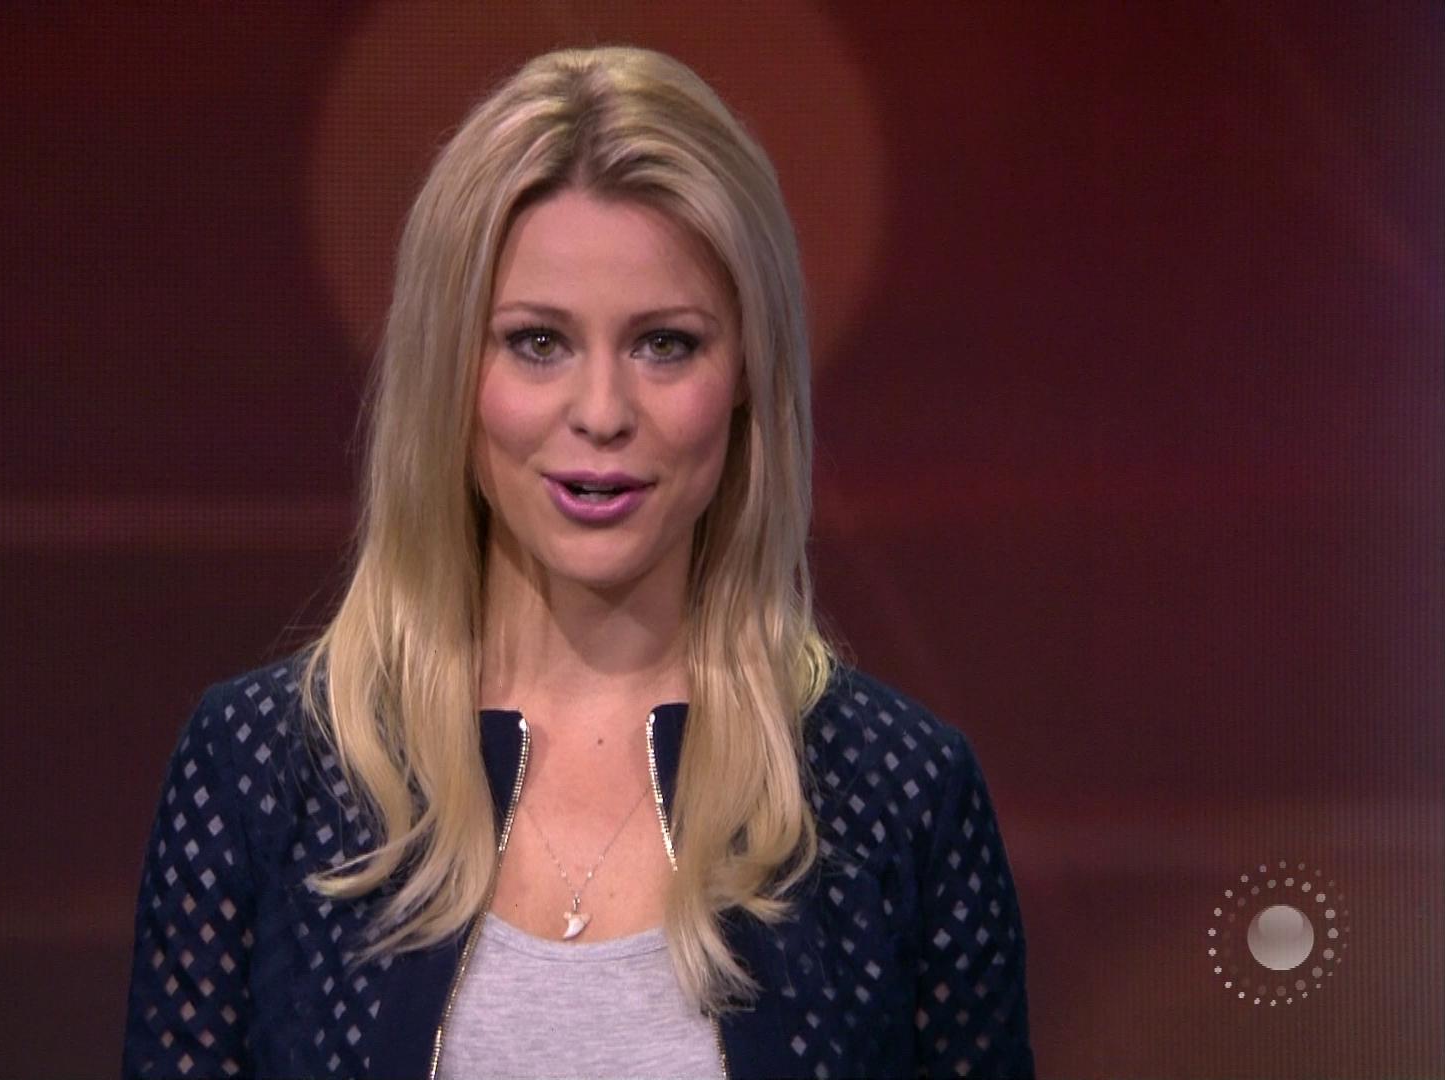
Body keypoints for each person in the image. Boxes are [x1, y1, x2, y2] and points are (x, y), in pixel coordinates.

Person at [123, 45, 1033, 1079]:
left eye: (665, 344)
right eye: (538, 343)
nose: (602, 413)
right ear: (448, 369)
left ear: (748, 370)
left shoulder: (901, 795)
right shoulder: (259, 770)